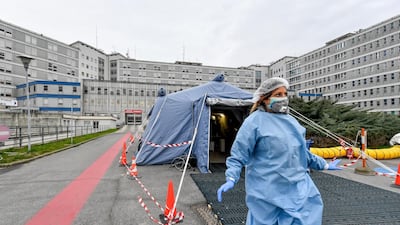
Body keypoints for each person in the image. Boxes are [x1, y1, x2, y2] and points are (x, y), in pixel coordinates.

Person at [216, 77, 341, 225]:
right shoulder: (253, 122)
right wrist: (231, 178)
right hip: (267, 192)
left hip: (298, 189)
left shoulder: (292, 122)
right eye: (278, 94)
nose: (283, 98)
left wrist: (323, 165)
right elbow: (238, 155)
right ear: (264, 99)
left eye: (285, 94)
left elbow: (301, 153)